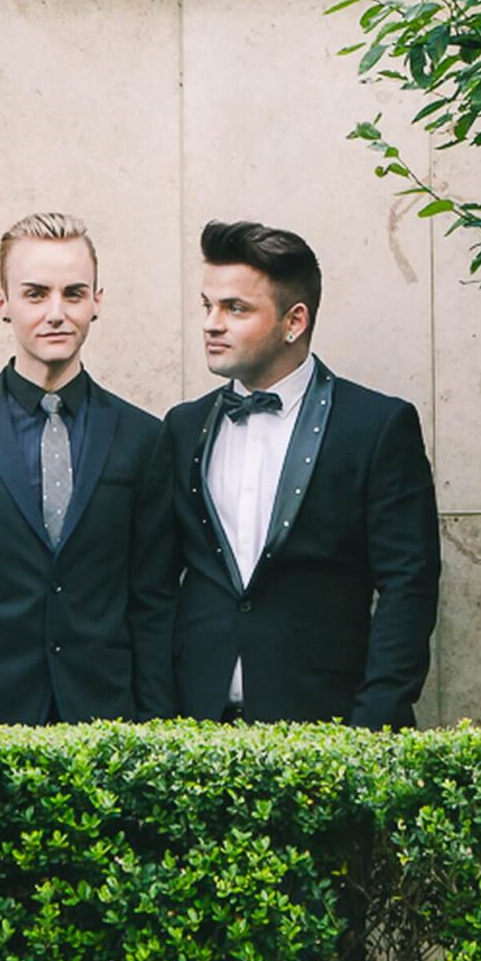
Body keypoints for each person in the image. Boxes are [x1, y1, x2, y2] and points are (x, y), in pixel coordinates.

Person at [0, 212, 174, 727]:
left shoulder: (144, 438)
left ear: (97, 301)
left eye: (74, 293)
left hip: (105, 725)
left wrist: (156, 734)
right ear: (3, 303)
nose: (56, 313)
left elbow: (152, 604)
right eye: (36, 294)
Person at [158, 220, 440, 728]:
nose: (211, 323)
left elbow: (409, 586)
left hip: (326, 726)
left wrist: (373, 726)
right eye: (207, 305)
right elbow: (154, 586)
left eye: (235, 308)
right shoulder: (183, 428)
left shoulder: (376, 426)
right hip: (195, 730)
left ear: (295, 321)